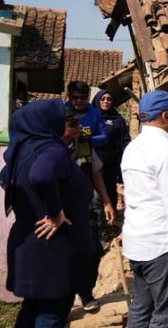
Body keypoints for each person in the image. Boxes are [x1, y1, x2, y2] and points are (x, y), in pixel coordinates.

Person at [0, 99, 93, 327]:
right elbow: (41, 176)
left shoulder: (21, 151)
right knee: (51, 315)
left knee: (31, 310)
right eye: (62, 118)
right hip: (53, 253)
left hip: (31, 246)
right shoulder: (51, 149)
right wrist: (54, 212)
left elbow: (4, 179)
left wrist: (35, 206)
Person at [121, 90, 168, 327]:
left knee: (141, 309)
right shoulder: (165, 152)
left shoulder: (132, 148)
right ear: (165, 115)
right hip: (159, 246)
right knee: (165, 315)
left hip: (136, 243)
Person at [63, 108, 116, 312]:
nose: (79, 128)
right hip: (60, 213)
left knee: (93, 249)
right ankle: (63, 302)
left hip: (86, 207)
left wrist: (107, 202)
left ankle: (86, 293)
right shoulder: (49, 147)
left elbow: (95, 174)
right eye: (73, 125)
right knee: (66, 254)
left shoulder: (84, 143)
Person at [91, 89, 130, 208]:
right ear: (97, 101)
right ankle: (96, 222)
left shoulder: (118, 120)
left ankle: (110, 221)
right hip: (94, 161)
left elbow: (124, 141)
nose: (106, 101)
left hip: (111, 163)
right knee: (96, 195)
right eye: (103, 99)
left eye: (109, 99)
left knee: (110, 191)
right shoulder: (91, 117)